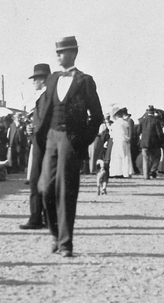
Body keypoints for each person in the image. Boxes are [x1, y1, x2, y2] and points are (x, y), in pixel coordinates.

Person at [35, 36, 104, 257]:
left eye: (62, 52)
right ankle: (55, 234)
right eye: (56, 52)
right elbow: (43, 109)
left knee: (66, 191)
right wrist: (38, 133)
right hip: (51, 138)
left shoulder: (85, 81)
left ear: (73, 53)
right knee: (45, 188)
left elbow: (97, 116)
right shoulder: (53, 79)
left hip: (70, 139)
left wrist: (82, 140)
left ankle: (65, 243)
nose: (58, 56)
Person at [20, 63, 51, 230]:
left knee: (35, 181)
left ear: (41, 79)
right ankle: (46, 216)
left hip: (41, 143)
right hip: (43, 141)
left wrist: (34, 130)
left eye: (35, 79)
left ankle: (35, 217)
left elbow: (44, 121)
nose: (33, 83)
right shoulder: (48, 97)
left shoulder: (45, 97)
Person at [137, 106, 164, 179]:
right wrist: (162, 142)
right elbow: (159, 133)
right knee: (156, 156)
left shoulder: (142, 121)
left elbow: (138, 131)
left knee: (145, 158)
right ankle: (152, 171)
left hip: (144, 144)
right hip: (154, 143)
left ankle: (146, 175)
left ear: (147, 112)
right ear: (153, 112)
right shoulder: (156, 121)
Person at [108, 107, 134, 178]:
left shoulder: (115, 124)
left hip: (117, 142)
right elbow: (125, 133)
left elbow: (112, 135)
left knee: (116, 157)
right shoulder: (125, 123)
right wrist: (127, 139)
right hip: (124, 142)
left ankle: (116, 172)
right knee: (125, 157)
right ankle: (125, 172)